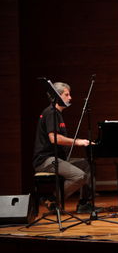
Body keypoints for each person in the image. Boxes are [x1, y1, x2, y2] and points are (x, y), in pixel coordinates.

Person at [33, 82, 94, 213]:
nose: (70, 97)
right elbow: (54, 138)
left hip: (57, 158)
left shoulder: (57, 113)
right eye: (66, 95)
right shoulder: (51, 113)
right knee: (79, 176)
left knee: (86, 164)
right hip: (45, 160)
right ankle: (53, 198)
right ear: (57, 96)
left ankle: (84, 203)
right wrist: (77, 142)